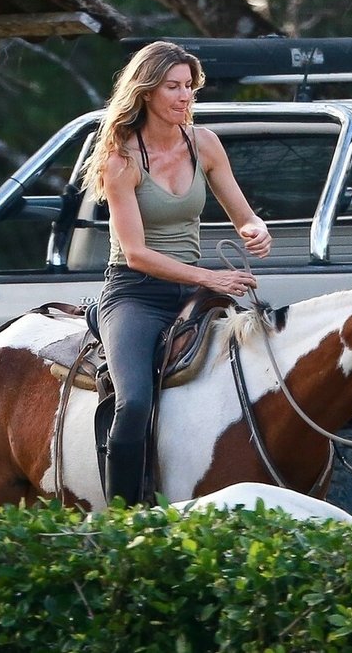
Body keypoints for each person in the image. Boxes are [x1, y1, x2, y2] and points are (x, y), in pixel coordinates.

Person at [81, 41, 272, 506]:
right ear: (147, 91)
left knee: (264, 373)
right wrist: (211, 278)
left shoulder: (204, 144)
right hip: (136, 293)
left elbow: (241, 213)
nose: (185, 96)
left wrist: (255, 229)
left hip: (195, 291)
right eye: (173, 87)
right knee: (135, 402)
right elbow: (137, 254)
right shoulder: (120, 159)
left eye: (189, 86)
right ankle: (123, 517)